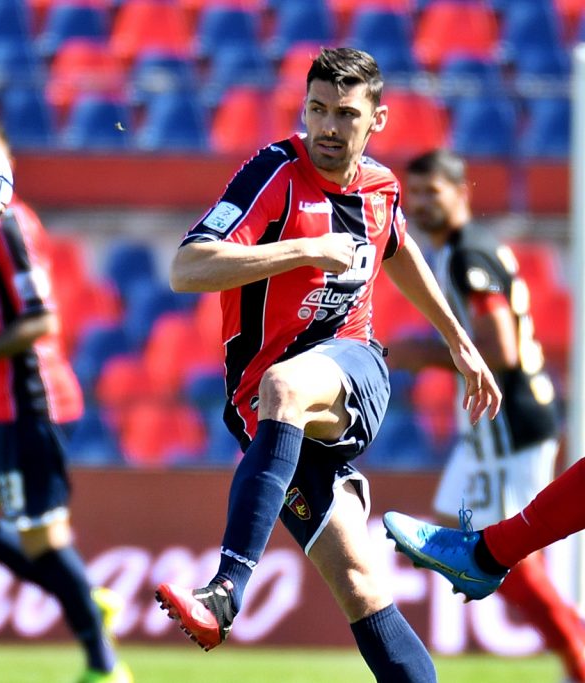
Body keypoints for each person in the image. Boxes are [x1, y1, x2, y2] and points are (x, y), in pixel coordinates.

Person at [153, 47, 501, 683]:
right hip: (265, 414)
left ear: (377, 120)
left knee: (285, 384)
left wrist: (458, 340)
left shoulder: (379, 186)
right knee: (361, 588)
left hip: (351, 366)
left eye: (345, 114)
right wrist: (304, 250)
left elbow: (397, 247)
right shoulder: (272, 175)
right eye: (317, 110)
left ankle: (225, 590)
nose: (328, 128)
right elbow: (187, 267)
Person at [0, 118, 131, 683]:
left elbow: (40, 321)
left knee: (41, 537)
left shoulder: (10, 223)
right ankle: (82, 594)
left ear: (6, 166)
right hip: (0, 404)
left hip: (34, 403)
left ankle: (104, 667)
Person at [383, 150, 585, 682]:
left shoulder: (467, 254)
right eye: (414, 193)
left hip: (508, 423)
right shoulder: (465, 249)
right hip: (505, 423)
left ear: (461, 192)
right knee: (490, 545)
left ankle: (578, 656)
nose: (421, 204)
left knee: (505, 556)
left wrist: (424, 354)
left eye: (433, 192)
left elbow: (501, 349)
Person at [385, 455, 585, 600]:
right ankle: (489, 554)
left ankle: (488, 554)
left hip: (516, 433)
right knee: (448, 515)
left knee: (522, 560)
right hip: (480, 433)